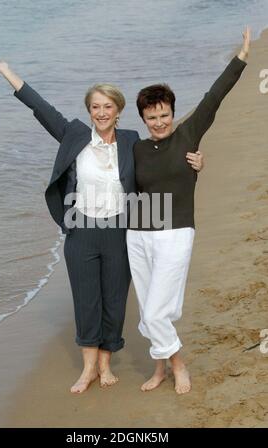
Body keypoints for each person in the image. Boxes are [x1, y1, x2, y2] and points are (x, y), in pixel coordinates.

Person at [0, 56, 204, 394]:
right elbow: (41, 109)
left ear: (119, 110)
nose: (101, 112)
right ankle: (87, 369)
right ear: (89, 110)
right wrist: (9, 73)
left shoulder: (130, 141)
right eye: (95, 106)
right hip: (81, 231)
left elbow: (167, 150)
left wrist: (196, 162)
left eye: (108, 106)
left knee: (114, 300)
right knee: (86, 300)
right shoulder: (73, 134)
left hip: (120, 232)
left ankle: (105, 364)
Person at [126, 27, 250, 394]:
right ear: (143, 119)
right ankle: (159, 368)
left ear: (172, 112)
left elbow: (215, 97)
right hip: (138, 235)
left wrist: (242, 57)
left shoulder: (187, 135)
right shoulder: (134, 148)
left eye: (163, 115)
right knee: (150, 308)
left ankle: (178, 363)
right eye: (151, 118)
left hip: (176, 232)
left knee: (155, 312)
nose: (159, 122)